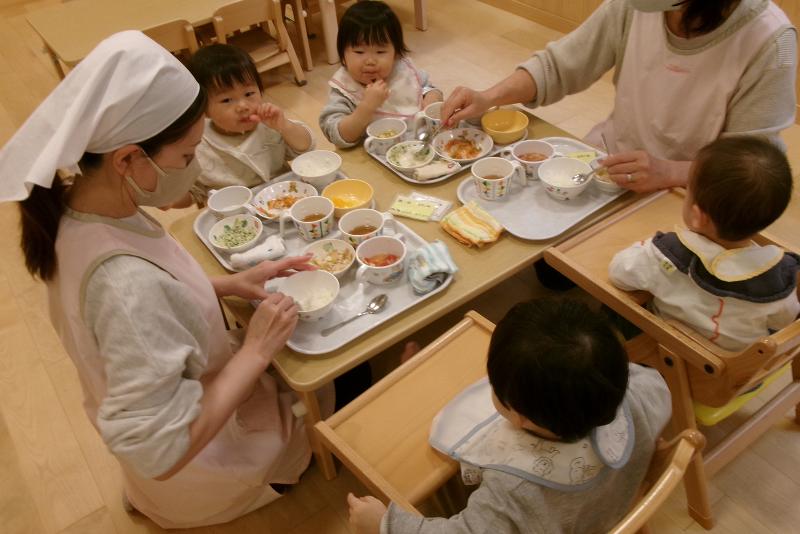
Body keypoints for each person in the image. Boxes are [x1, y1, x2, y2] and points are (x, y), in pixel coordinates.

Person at [0, 31, 332, 528]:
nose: (193, 170)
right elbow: (162, 448)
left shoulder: (77, 208)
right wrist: (256, 349)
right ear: (128, 159)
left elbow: (154, 299)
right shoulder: (123, 288)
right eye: (187, 156)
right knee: (339, 383)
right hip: (200, 468)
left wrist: (230, 283)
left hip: (164, 419)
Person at [347, 298, 672, 533]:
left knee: (438, 480)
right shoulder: (639, 394)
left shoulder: (514, 492)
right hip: (613, 506)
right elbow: (649, 384)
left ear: (520, 418)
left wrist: (385, 524)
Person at [441, 0, 796, 193]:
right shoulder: (637, 6)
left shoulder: (769, 39)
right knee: (549, 264)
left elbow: (752, 167)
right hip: (611, 163)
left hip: (694, 190)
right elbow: (561, 65)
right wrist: (490, 96)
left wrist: (670, 171)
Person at [609, 136, 800, 351]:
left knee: (613, 311)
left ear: (698, 216)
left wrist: (647, 244)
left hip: (669, 353)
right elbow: (784, 322)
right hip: (736, 367)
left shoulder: (664, 254)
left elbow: (619, 274)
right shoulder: (781, 278)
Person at [177, 43, 314, 207]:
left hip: (285, 199)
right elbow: (193, 193)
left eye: (249, 94)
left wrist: (284, 126)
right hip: (237, 212)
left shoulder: (270, 123)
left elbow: (306, 146)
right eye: (226, 100)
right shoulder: (196, 144)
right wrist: (169, 197)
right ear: (203, 109)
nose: (243, 106)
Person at [319, 0, 443, 148]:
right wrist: (367, 106)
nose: (370, 61)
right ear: (343, 55)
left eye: (380, 51)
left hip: (420, 146)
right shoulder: (344, 88)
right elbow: (337, 135)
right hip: (374, 155)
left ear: (396, 54)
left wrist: (432, 97)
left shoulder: (401, 70)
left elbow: (427, 88)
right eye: (359, 52)